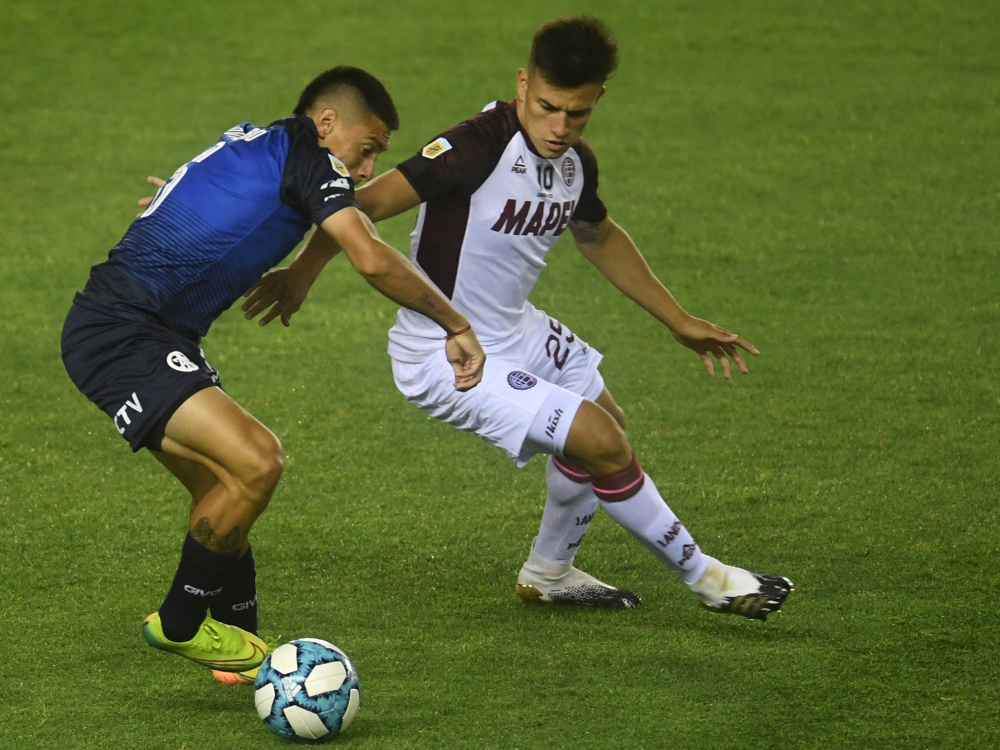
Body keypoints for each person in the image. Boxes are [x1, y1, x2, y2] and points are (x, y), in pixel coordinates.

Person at [246, 17, 793, 621]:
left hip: (517, 330)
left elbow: (598, 235)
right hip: (443, 353)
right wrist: (302, 272)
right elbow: (360, 203)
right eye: (547, 106)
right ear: (523, 83)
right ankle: (711, 580)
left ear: (597, 101)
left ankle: (549, 572)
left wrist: (677, 319)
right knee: (601, 442)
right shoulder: (475, 145)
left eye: (577, 114)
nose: (559, 128)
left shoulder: (575, 164)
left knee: (606, 425)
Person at [63, 66, 486, 680]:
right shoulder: (310, 163)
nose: (365, 171)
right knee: (258, 461)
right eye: (366, 150)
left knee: (223, 484)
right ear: (327, 124)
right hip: (123, 331)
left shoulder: (255, 140)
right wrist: (455, 323)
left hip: (141, 330)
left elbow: (200, 189)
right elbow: (370, 255)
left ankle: (240, 646)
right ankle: (180, 624)